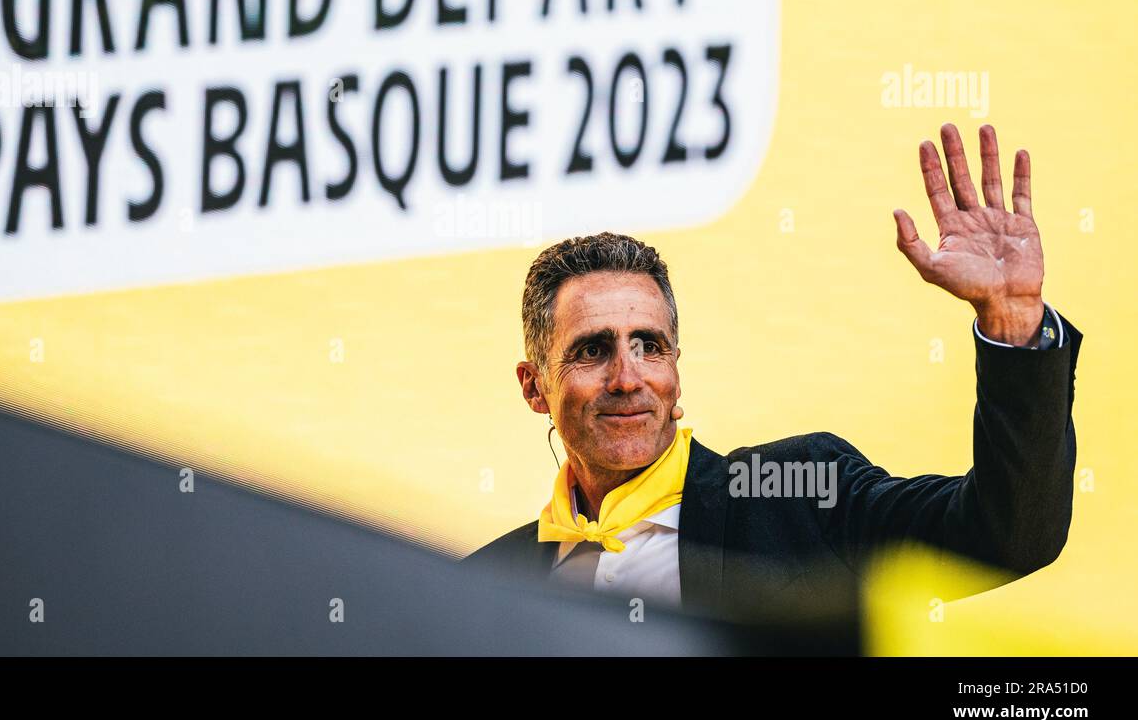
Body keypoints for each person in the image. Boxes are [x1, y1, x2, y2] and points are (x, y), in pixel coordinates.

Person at [462, 123, 1081, 619]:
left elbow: (1007, 535)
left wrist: (1011, 323)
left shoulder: (796, 493)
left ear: (676, 371)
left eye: (650, 345)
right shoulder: (477, 588)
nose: (629, 377)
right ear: (534, 386)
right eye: (593, 350)